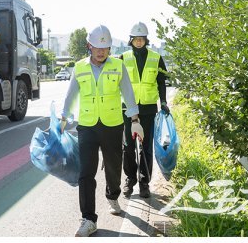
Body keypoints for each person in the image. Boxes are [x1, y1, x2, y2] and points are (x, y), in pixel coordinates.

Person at [61, 25, 143, 237]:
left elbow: (128, 92)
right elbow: (71, 95)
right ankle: (88, 219)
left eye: (105, 48)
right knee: (86, 172)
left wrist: (135, 119)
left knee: (114, 168)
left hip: (113, 124)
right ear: (89, 46)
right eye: (97, 47)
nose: (101, 52)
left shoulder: (118, 65)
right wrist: (63, 118)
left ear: (110, 48)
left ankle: (112, 194)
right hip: (87, 125)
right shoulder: (79, 67)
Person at [121, 22, 170, 198]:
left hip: (149, 109)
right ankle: (130, 179)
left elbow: (162, 82)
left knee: (146, 147)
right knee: (128, 146)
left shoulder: (156, 58)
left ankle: (144, 182)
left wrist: (163, 101)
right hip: (128, 108)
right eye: (136, 39)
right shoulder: (123, 57)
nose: (139, 42)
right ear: (131, 40)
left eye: (142, 39)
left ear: (146, 40)